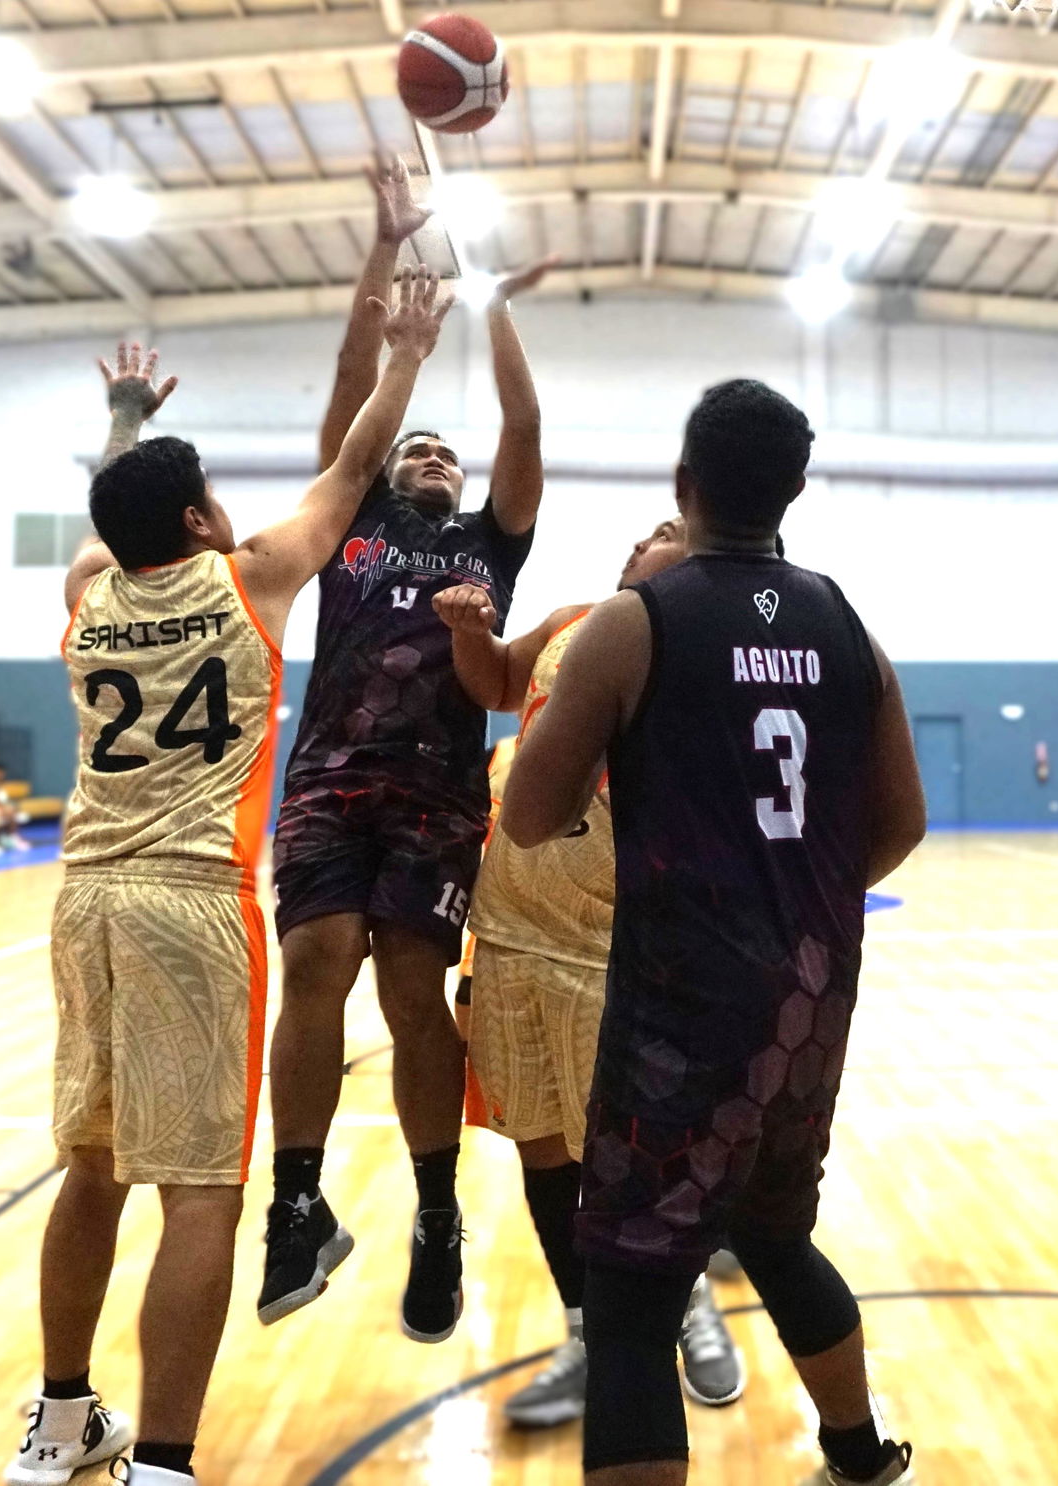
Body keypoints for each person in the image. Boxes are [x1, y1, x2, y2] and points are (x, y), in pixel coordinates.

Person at [4, 279, 447, 1486]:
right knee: (201, 1190)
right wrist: (404, 355)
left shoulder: (86, 597)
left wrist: (125, 421)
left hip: (83, 895)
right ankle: (161, 1460)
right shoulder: (249, 579)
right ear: (201, 520)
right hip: (193, 901)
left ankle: (58, 1420)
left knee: (91, 1165)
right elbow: (355, 468)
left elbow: (110, 519)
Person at [503, 380, 925, 1486]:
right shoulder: (845, 620)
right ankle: (859, 1452)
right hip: (810, 994)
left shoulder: (634, 622)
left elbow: (525, 814)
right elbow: (903, 822)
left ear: (683, 487)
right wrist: (808, 901)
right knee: (776, 1235)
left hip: (682, 1003)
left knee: (632, 1292)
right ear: (792, 489)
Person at [259, 155, 553, 1344]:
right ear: (386, 472)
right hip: (329, 778)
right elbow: (349, 379)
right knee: (317, 956)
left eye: (447, 454)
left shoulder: (493, 541)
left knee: (408, 986)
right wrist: (384, 254)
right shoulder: (352, 520)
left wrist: (495, 308)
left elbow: (523, 422)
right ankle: (294, 1201)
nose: (433, 460)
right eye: (416, 451)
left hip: (436, 795)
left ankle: (436, 1220)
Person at [434, 517, 745, 1430]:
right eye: (650, 528)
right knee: (540, 1146)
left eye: (677, 530)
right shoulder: (574, 619)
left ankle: (690, 1309)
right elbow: (493, 679)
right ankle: (583, 1331)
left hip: (620, 943)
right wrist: (466, 634)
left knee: (634, 1153)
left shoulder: (708, 657)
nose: (653, 529)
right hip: (513, 933)